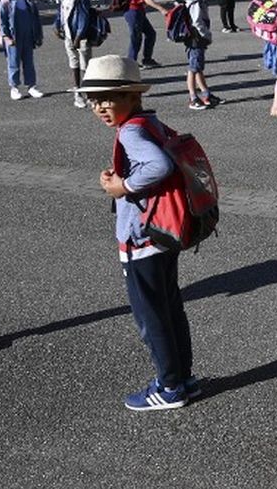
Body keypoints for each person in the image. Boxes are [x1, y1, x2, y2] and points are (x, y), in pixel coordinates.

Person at [80, 55, 198, 411]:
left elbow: (158, 166)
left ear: (132, 96)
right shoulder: (149, 122)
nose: (101, 107)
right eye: (94, 100)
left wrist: (124, 186)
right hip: (165, 232)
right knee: (170, 305)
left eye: (110, 98)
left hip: (143, 238)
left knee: (151, 315)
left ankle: (169, 385)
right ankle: (183, 376)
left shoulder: (130, 130)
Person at [0, 0, 45, 101]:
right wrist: (6, 37)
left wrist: (38, 36)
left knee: (29, 62)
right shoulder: (5, 2)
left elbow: (35, 19)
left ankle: (31, 86)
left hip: (28, 36)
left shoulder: (28, 1)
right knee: (13, 63)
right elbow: (3, 22)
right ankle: (14, 87)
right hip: (14, 38)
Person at [53, 0, 95, 106]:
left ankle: (89, 92)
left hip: (80, 37)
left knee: (85, 64)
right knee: (74, 63)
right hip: (68, 37)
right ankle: (78, 92)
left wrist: (79, 36)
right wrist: (56, 25)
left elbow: (84, 17)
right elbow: (61, 13)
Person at [182, 0, 221, 110]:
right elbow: (197, 21)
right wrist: (206, 34)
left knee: (198, 67)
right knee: (193, 68)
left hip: (194, 37)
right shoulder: (195, 1)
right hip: (196, 37)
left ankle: (206, 94)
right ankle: (193, 97)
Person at [123, 0, 166, 68]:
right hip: (134, 12)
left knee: (150, 33)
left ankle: (147, 59)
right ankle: (131, 62)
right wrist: (160, 8)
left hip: (138, 11)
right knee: (136, 37)